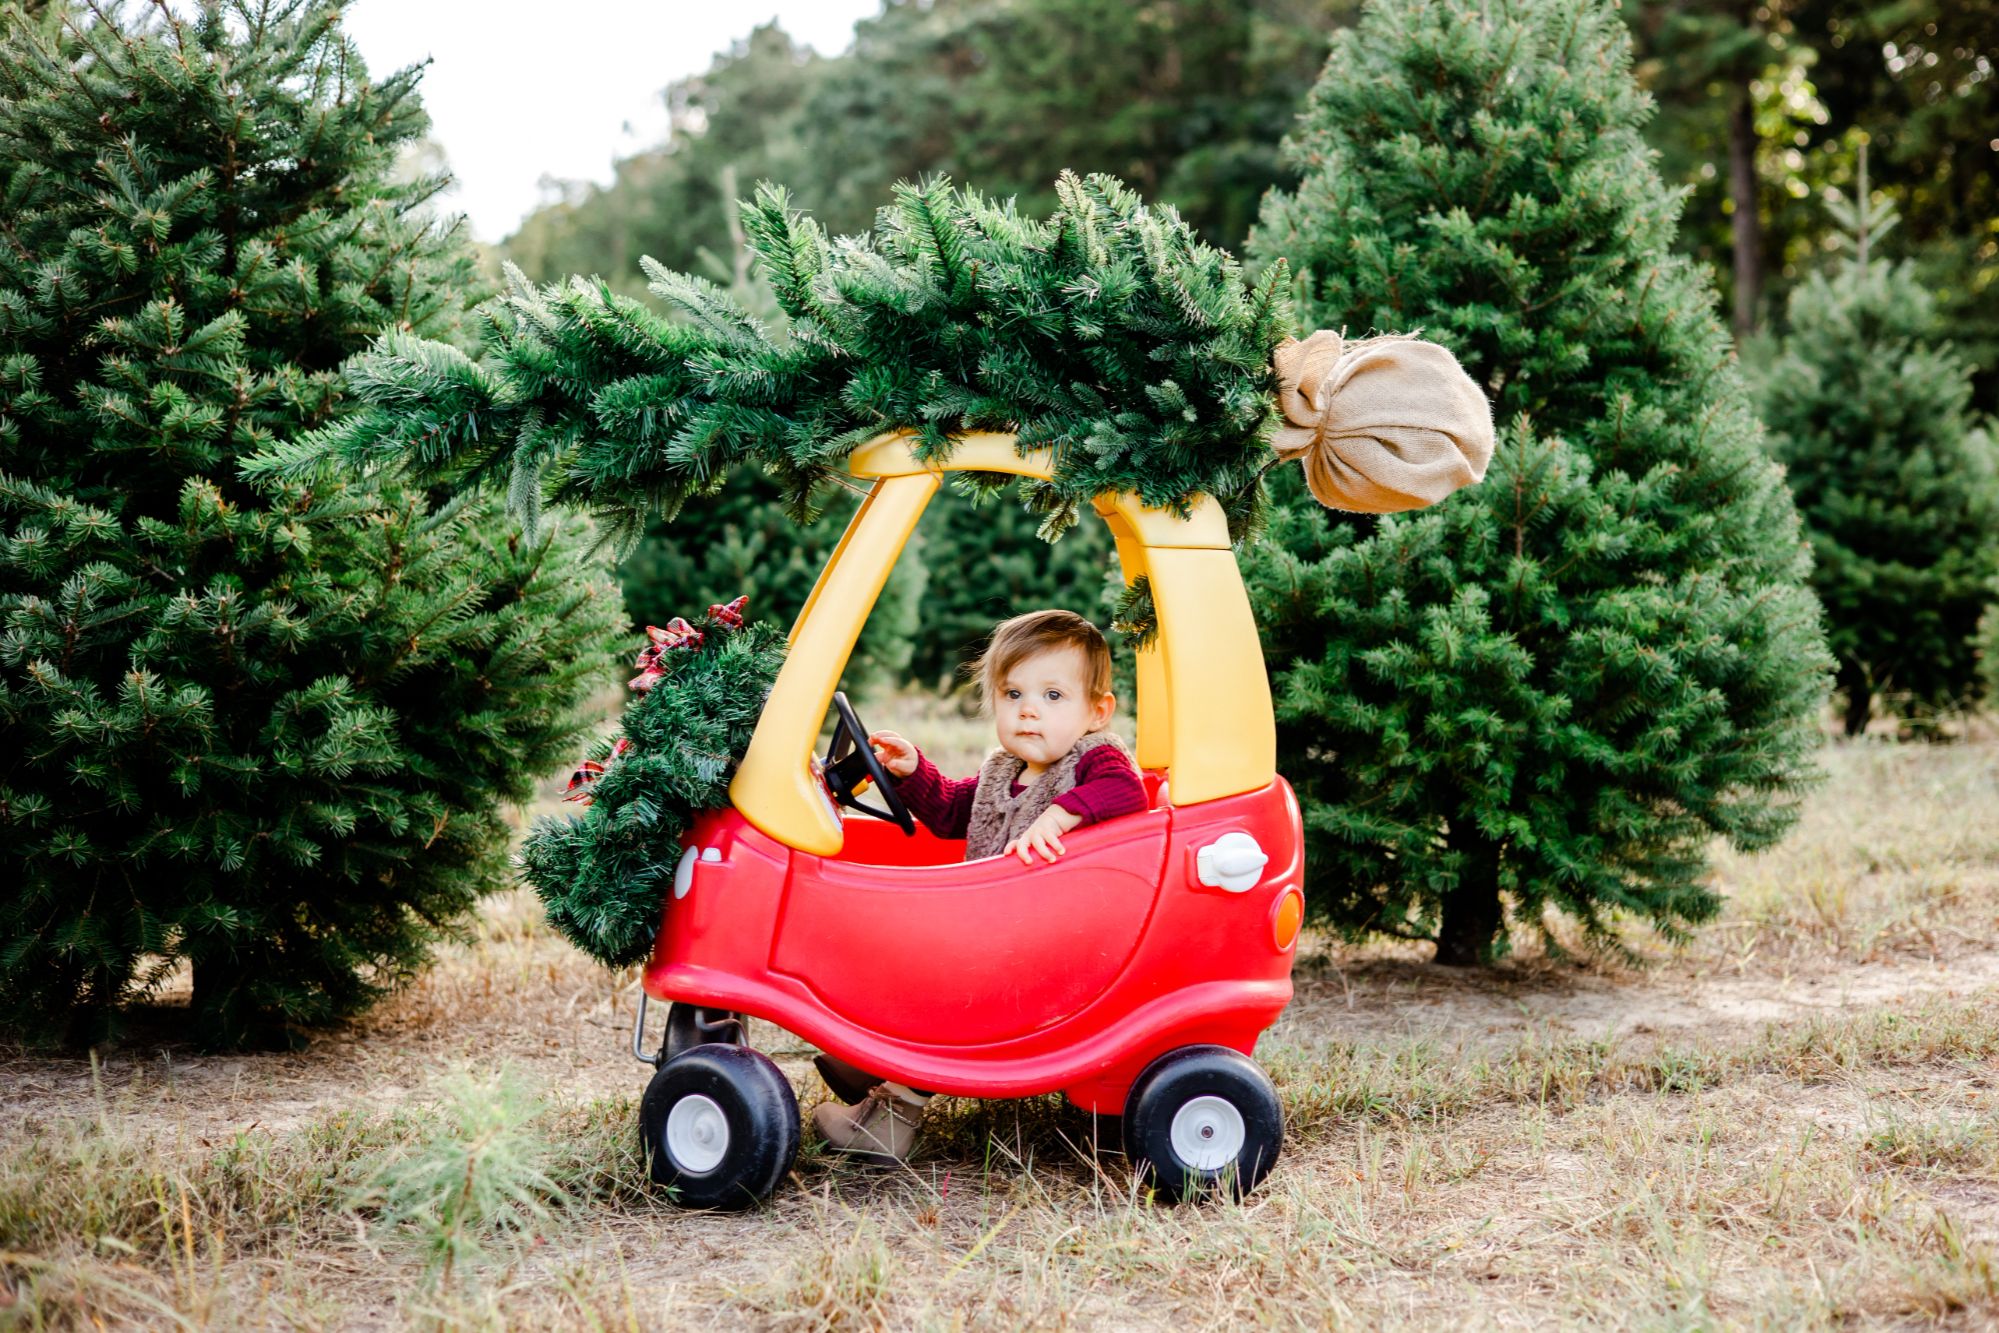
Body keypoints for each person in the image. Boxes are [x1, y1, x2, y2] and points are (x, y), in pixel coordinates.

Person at [811, 609, 1148, 1162]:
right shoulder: (1004, 769)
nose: (1029, 710)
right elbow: (949, 814)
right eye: (1013, 694)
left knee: (947, 983)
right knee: (907, 947)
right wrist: (913, 769)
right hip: (996, 926)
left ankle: (891, 1116)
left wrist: (1063, 815)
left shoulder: (1095, 759)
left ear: (1096, 712)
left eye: (1053, 697)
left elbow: (1126, 793)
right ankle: (875, 1054)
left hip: (1050, 946)